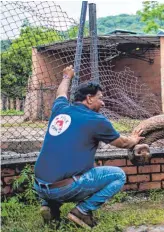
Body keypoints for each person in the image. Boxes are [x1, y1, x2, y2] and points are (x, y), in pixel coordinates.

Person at [34, 65, 144, 229]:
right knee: (118, 176)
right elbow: (123, 143)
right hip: (64, 189)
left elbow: (61, 93)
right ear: (89, 98)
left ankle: (49, 205)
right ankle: (82, 212)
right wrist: (134, 139)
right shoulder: (96, 120)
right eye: (100, 97)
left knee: (70, 168)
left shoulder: (60, 109)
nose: (103, 102)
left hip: (39, 186)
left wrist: (66, 76)